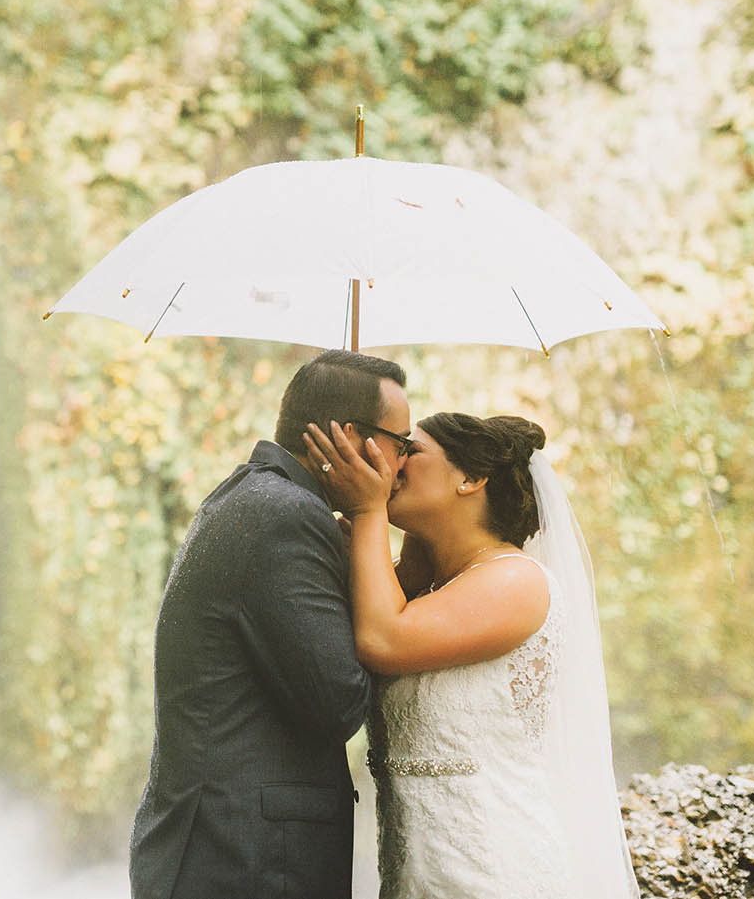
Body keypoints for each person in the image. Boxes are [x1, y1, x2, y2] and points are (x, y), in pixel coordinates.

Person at [304, 412, 640, 899]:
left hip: (495, 873)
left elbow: (381, 641)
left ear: (471, 478)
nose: (392, 464)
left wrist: (369, 511)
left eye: (410, 451)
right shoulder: (429, 587)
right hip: (416, 878)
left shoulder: (516, 581)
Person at [129, 349, 412, 899]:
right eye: (400, 444)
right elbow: (338, 703)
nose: (402, 464)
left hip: (228, 851)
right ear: (349, 437)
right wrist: (371, 581)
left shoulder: (253, 496)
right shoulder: (286, 516)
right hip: (247, 860)